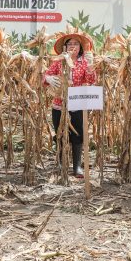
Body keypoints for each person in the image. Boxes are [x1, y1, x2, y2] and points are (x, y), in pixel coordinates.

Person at [43, 29, 96, 178]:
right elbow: (45, 75)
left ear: (80, 48)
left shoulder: (84, 62)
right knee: (60, 134)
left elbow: (91, 80)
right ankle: (60, 164)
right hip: (59, 104)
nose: (72, 46)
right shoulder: (58, 62)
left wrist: (91, 65)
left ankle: (77, 167)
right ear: (65, 47)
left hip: (77, 103)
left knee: (77, 134)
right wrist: (48, 79)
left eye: (76, 44)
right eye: (69, 44)